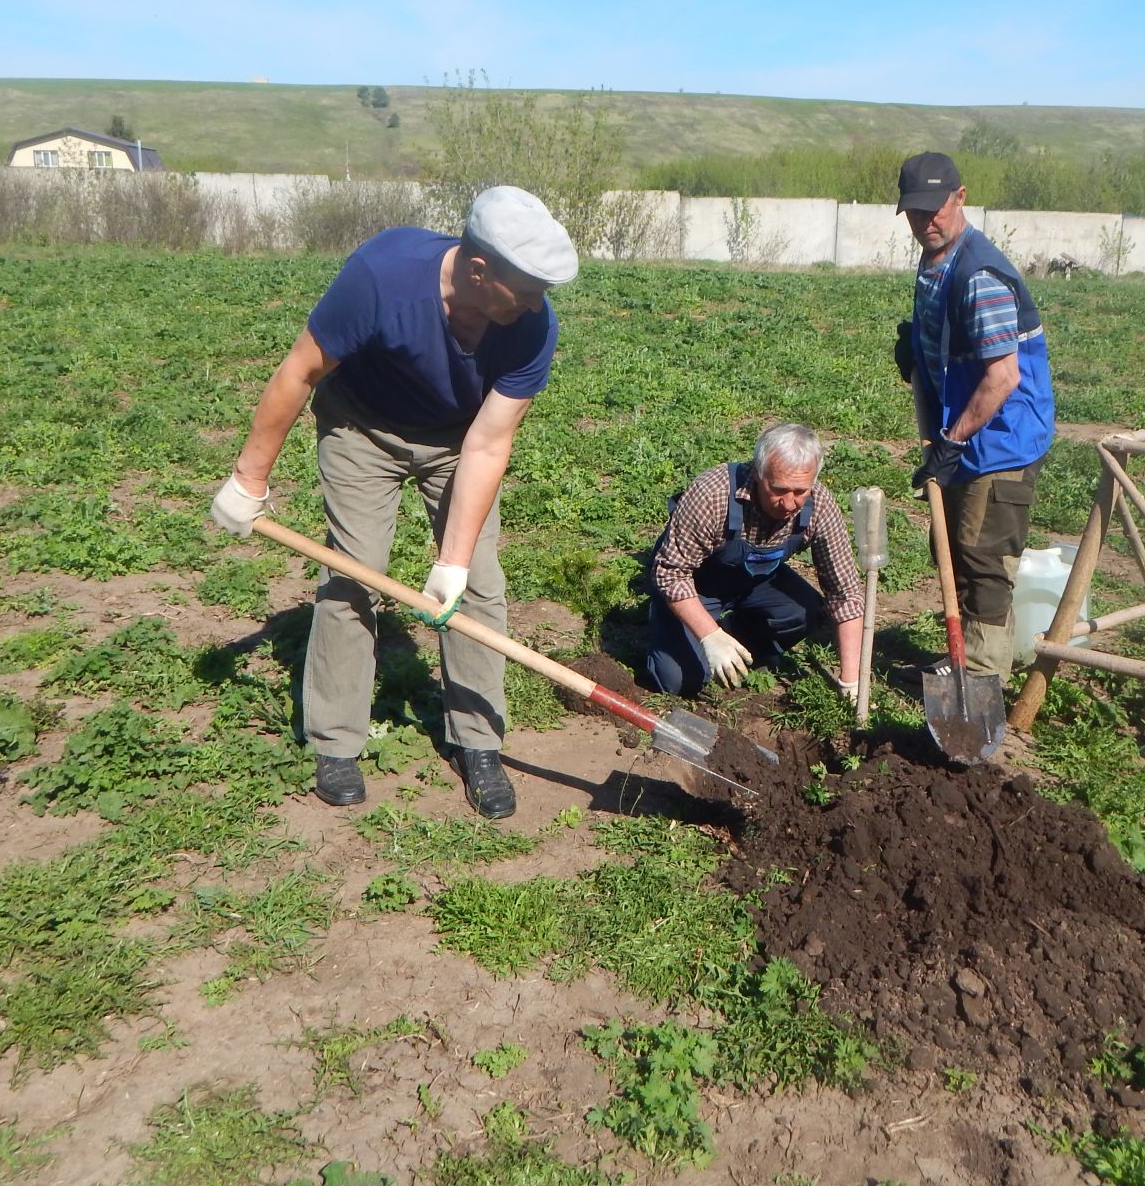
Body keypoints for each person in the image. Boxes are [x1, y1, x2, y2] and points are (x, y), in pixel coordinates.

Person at [209, 186, 578, 819]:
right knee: (356, 573)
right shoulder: (382, 276)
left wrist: (453, 562)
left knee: (480, 586)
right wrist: (249, 480)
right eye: (526, 290)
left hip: (459, 438)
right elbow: (298, 371)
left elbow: (489, 444)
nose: (536, 304)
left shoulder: (531, 327)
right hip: (363, 428)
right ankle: (335, 742)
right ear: (479, 269)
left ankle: (479, 742)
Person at [896, 151, 1055, 680]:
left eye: (936, 209)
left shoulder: (979, 275)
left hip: (1000, 436)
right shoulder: (938, 258)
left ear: (960, 197)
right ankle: (968, 657)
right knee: (961, 547)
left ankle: (984, 672)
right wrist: (918, 352)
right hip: (968, 427)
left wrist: (951, 442)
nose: (927, 222)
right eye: (916, 213)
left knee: (982, 551)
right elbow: (956, 345)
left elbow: (1003, 377)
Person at [645, 423, 864, 698]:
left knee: (803, 612)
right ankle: (682, 632)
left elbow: (845, 595)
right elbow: (670, 573)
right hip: (695, 585)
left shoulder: (819, 505)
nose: (789, 503)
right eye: (779, 489)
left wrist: (851, 682)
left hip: (754, 583)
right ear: (759, 474)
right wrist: (709, 636)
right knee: (678, 680)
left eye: (800, 492)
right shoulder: (713, 494)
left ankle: (736, 639)